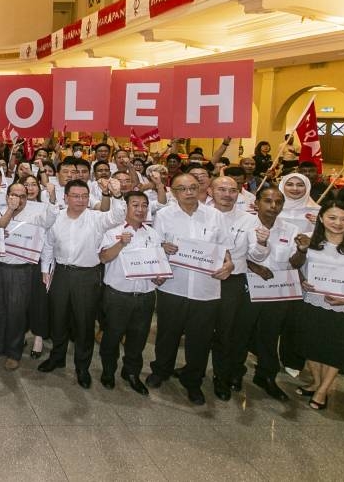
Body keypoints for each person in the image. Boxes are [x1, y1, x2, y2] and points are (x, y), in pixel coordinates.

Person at [147, 173, 234, 405]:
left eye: (193, 187)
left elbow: (224, 247)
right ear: (173, 192)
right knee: (167, 333)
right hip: (173, 285)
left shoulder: (214, 216)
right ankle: (161, 370)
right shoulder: (164, 215)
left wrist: (229, 263)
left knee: (201, 338)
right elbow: (156, 244)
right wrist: (162, 246)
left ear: (202, 189)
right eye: (182, 188)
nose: (189, 192)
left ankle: (193, 380)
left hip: (206, 289)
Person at [38, 178, 124, 388]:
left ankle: (82, 367)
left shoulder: (96, 218)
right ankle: (57, 358)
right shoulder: (56, 218)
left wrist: (117, 195)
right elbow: (49, 245)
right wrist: (45, 270)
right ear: (65, 197)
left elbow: (118, 216)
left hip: (87, 276)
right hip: (61, 274)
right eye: (75, 196)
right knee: (58, 319)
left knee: (84, 324)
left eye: (84, 196)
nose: (80, 200)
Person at [292, 201, 344, 410]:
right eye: (332, 217)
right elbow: (298, 267)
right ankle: (316, 382)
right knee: (311, 344)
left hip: (343, 307)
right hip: (312, 302)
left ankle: (323, 390)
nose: (338, 223)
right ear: (321, 218)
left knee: (334, 349)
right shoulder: (310, 243)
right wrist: (302, 279)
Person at [233, 186, 302, 402]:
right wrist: (254, 267)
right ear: (257, 203)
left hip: (277, 290)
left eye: (278, 202)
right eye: (268, 201)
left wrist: (302, 251)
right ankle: (234, 373)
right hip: (248, 287)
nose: (273, 206)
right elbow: (234, 253)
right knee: (241, 332)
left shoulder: (290, 229)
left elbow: (294, 262)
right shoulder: (243, 223)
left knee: (270, 335)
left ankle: (266, 376)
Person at [97, 191, 163, 395]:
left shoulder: (153, 233)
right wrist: (121, 243)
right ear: (125, 207)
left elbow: (155, 263)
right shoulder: (112, 231)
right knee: (112, 335)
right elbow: (104, 258)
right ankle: (108, 371)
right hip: (118, 295)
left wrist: (158, 277)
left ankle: (131, 372)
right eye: (135, 205)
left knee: (138, 337)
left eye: (144, 205)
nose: (141, 209)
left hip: (145, 296)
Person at [0, 181, 57, 369]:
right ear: (7, 196)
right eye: (14, 195)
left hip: (21, 270)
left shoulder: (35, 213)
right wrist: (10, 211)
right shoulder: (0, 210)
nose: (18, 199)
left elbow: (50, 218)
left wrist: (52, 198)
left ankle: (14, 352)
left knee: (16, 313)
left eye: (22, 196)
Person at [208, 176, 258, 401]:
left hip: (233, 280)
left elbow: (256, 254)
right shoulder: (200, 214)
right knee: (202, 329)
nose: (227, 194)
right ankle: (195, 369)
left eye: (232, 190)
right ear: (210, 191)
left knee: (229, 332)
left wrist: (263, 243)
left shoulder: (249, 220)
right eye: (221, 189)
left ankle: (225, 375)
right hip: (204, 278)